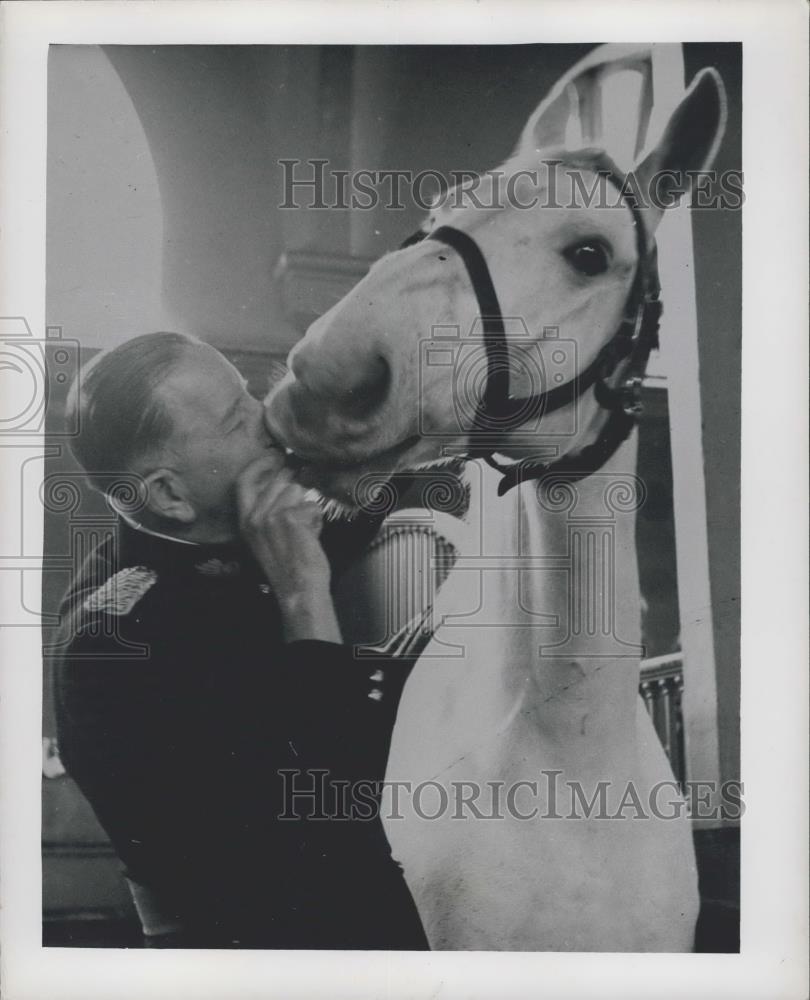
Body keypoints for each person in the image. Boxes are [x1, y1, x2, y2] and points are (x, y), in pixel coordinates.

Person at [51, 331, 427, 949]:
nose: (270, 417)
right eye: (237, 420)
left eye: (249, 394)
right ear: (169, 495)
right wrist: (303, 594)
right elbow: (319, 831)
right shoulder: (115, 645)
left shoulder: (249, 531)